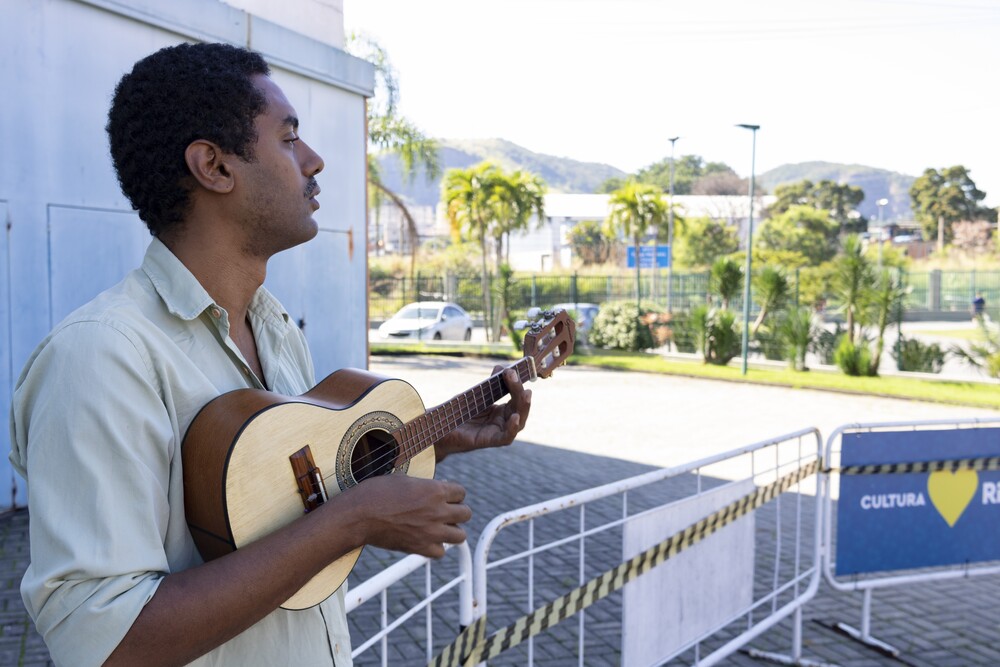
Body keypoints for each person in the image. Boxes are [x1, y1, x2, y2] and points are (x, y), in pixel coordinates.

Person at [8, 43, 530, 667]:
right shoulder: (101, 357)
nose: (314, 159)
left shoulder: (275, 327)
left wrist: (425, 440)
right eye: (288, 139)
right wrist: (355, 522)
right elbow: (108, 644)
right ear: (214, 167)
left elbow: (296, 491)